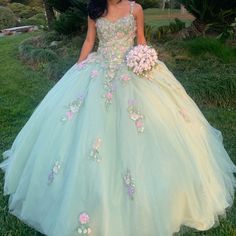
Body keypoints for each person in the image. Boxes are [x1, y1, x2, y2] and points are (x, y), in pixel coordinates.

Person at [0, 0, 236, 235]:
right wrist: (78, 68)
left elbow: (140, 40)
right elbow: (90, 41)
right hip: (99, 67)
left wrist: (146, 60)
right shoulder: (95, 10)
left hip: (130, 69)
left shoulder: (136, 9)